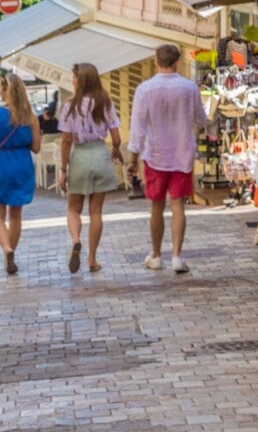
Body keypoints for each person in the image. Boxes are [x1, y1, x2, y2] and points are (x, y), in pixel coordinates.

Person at [126, 43, 207, 274]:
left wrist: (132, 158)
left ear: (156, 61)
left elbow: (138, 129)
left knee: (156, 207)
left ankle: (156, 255)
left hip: (156, 156)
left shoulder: (144, 89)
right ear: (177, 62)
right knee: (179, 205)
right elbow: (201, 120)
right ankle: (177, 257)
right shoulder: (190, 88)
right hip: (182, 154)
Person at [59, 63, 124, 274]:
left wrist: (62, 168)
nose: (72, 81)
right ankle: (92, 259)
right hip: (100, 155)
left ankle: (76, 240)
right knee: (96, 212)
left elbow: (66, 140)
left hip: (80, 156)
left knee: (73, 209)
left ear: (81, 80)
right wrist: (116, 150)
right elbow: (116, 137)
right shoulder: (105, 103)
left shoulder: (69, 106)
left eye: (74, 78)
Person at [0, 73, 39, 275]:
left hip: (0, 164)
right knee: (16, 216)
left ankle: (7, 249)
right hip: (22, 165)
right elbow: (36, 147)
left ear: (4, 90)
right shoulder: (31, 116)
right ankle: (10, 254)